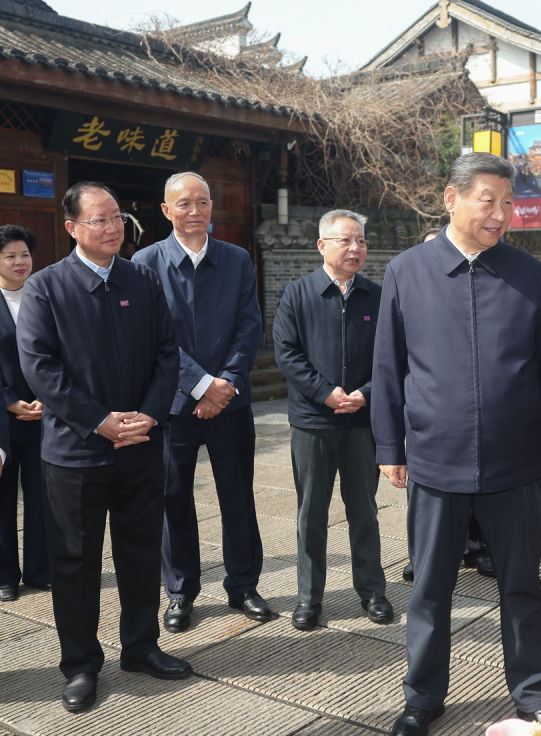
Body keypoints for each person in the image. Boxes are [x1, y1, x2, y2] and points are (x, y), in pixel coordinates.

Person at [372, 152, 541, 736]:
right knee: (431, 588)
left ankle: (534, 696)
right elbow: (388, 367)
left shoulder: (528, 274)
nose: (501, 214)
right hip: (436, 458)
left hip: (514, 463)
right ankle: (422, 699)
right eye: (488, 200)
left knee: (522, 585)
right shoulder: (408, 272)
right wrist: (391, 444)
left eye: (509, 203)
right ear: (451, 198)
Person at [18, 182, 190, 714]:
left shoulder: (141, 278)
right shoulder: (47, 288)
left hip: (140, 446)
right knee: (75, 562)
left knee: (140, 554)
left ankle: (141, 647)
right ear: (71, 228)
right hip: (75, 454)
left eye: (117, 218)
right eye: (99, 220)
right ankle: (80, 665)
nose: (113, 228)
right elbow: (39, 367)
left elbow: (168, 351)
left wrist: (150, 415)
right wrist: (99, 422)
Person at [132, 172, 269, 634]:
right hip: (172, 405)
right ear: (166, 211)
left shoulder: (236, 260)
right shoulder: (145, 262)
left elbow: (250, 326)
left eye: (203, 202)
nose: (195, 211)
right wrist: (200, 385)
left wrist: (226, 382)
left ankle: (244, 584)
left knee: (238, 495)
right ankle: (180, 592)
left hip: (230, 402)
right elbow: (153, 337)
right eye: (184, 204)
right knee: (173, 499)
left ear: (213, 207)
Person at [273, 209, 392, 631]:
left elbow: (393, 355)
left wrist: (366, 393)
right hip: (313, 422)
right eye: (346, 240)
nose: (355, 248)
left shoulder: (378, 297)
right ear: (322, 245)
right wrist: (325, 393)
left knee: (364, 509)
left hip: (362, 423)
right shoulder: (298, 294)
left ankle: (373, 591)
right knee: (312, 513)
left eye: (361, 240)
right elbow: (287, 353)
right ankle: (309, 598)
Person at [400, 225, 495, 584]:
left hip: (473, 416)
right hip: (429, 418)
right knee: (427, 500)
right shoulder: (409, 283)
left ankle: (478, 546)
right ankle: (423, 555)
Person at [0, 225, 45, 602]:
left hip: (43, 415)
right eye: (10, 255)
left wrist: (48, 400)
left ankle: (40, 568)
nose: (19, 262)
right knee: (2, 498)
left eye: (25, 255)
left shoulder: (43, 296)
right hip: (2, 418)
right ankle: (5, 575)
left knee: (43, 496)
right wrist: (7, 400)